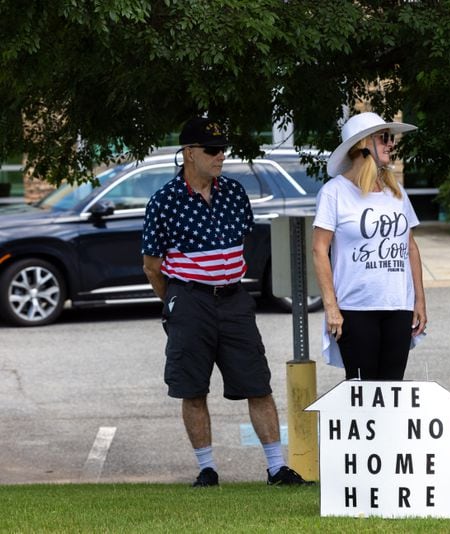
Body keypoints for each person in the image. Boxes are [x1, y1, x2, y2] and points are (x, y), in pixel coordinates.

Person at [142, 117, 311, 488]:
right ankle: (207, 469)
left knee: (257, 382)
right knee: (192, 387)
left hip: (234, 299)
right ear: (189, 153)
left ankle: (276, 468)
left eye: (223, 149)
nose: (221, 156)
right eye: (212, 150)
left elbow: (242, 242)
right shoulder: (164, 203)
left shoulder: (234, 193)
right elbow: (152, 266)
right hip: (189, 301)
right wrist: (175, 302)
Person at [312, 112, 427, 380]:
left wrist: (419, 300)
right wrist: (331, 306)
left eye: (391, 138)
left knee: (392, 390)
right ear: (363, 144)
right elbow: (319, 250)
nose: (391, 144)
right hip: (355, 308)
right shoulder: (334, 193)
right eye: (384, 138)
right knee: (362, 393)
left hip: (398, 305)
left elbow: (410, 246)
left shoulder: (396, 191)